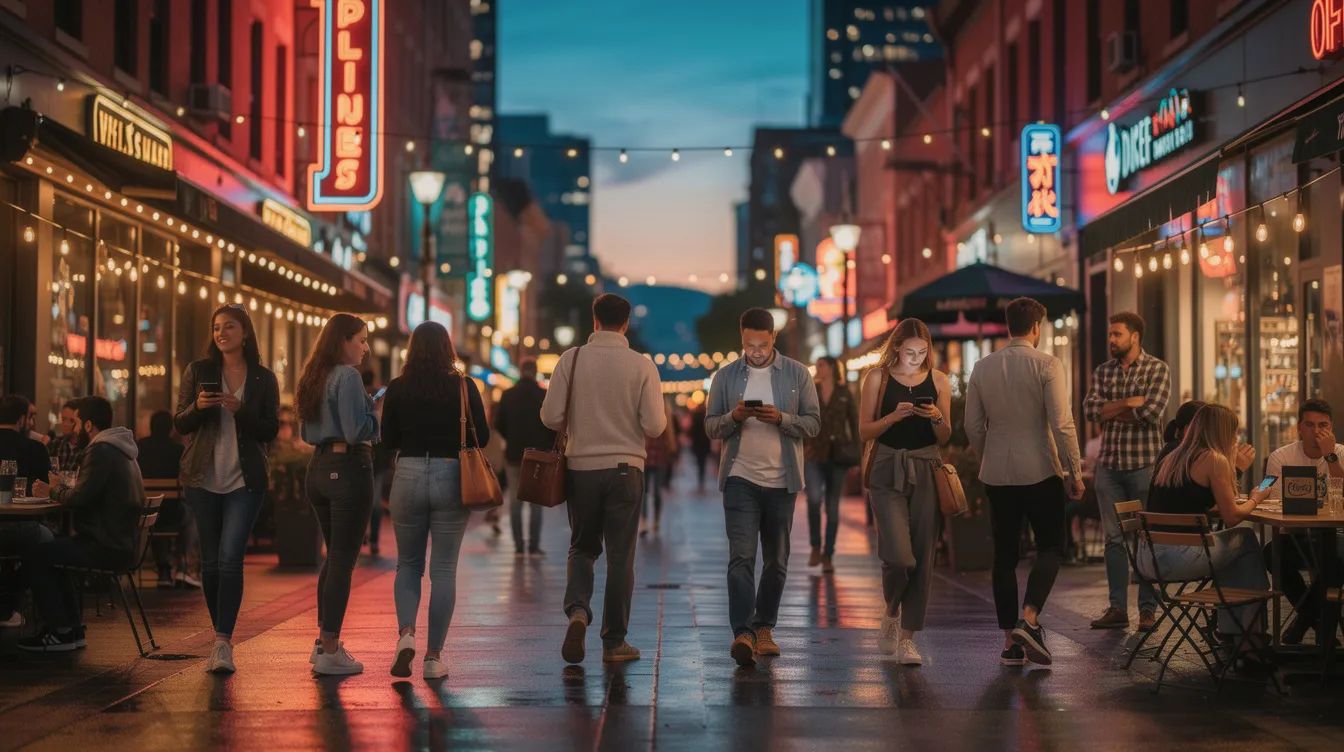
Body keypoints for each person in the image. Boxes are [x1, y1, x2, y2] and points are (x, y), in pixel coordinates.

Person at [543, 294, 666, 665]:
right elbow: (655, 426)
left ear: (594, 320)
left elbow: (550, 416)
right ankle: (614, 642)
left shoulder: (571, 359)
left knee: (582, 547)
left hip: (581, 468)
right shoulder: (642, 365)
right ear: (626, 324)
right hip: (627, 469)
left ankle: (578, 611)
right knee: (620, 557)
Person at [964, 297, 1084, 667]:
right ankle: (1029, 619)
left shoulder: (982, 367)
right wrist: (1075, 470)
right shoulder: (1048, 364)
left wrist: (987, 456)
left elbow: (972, 425)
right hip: (1040, 471)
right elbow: (1061, 423)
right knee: (1050, 546)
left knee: (1004, 555)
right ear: (1035, 327)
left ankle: (1009, 644)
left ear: (1008, 326)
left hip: (998, 474)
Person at [705, 307, 821, 667]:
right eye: (749, 345)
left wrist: (782, 419)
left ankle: (764, 626)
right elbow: (710, 426)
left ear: (774, 338)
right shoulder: (725, 376)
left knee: (777, 560)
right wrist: (734, 417)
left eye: (762, 345)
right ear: (741, 339)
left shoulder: (797, 374)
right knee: (741, 557)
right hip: (739, 477)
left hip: (782, 480)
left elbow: (814, 423)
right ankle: (743, 632)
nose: (755, 352)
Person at [175, 305, 280, 673]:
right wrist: (198, 407)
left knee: (230, 557)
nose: (221, 333)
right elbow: (180, 421)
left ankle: (222, 642)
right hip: (202, 478)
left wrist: (240, 410)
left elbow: (270, 429)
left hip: (244, 480)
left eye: (229, 326)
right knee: (211, 561)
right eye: (217, 327)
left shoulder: (263, 378)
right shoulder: (198, 371)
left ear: (245, 332)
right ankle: (219, 633)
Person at [380, 322, 488, 680]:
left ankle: (406, 634)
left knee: (408, 564)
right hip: (451, 474)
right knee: (443, 570)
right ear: (448, 349)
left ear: (412, 349)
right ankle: (433, 658)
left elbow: (388, 439)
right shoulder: (463, 386)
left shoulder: (398, 387)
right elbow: (483, 436)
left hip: (408, 472)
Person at [1141, 404, 1272, 661]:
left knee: (1234, 552)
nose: (1236, 437)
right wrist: (1257, 497)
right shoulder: (1214, 459)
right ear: (1223, 431)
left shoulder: (1173, 456)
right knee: (1246, 539)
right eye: (1234, 431)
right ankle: (1247, 636)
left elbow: (1187, 502)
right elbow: (1231, 517)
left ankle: (1238, 635)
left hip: (1149, 557)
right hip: (1179, 557)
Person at [858, 320, 951, 666]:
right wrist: (892, 418)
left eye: (922, 352)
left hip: (927, 466)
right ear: (896, 347)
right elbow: (864, 430)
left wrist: (937, 416)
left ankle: (908, 640)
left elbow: (946, 436)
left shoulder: (939, 380)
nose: (916, 358)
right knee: (900, 557)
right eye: (910, 352)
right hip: (886, 467)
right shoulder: (877, 378)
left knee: (923, 556)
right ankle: (892, 610)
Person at [22, 397, 145, 651]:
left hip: (106, 546)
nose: (74, 429)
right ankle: (72, 628)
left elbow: (79, 499)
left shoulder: (100, 451)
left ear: (88, 425)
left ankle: (60, 630)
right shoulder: (121, 450)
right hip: (120, 543)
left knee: (36, 552)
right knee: (55, 548)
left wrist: (52, 490)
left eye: (76, 423)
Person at [297, 313, 381, 676]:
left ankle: (323, 643)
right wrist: (374, 412)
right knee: (343, 561)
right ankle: (330, 648)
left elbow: (305, 432)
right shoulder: (347, 376)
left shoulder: (315, 375)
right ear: (343, 341)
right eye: (361, 340)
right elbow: (356, 431)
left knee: (333, 558)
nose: (365, 348)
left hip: (318, 467)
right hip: (348, 468)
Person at [1082, 311, 1171, 633]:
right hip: (1109, 466)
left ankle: (1147, 610)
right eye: (1110, 334)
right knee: (1114, 540)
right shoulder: (1103, 371)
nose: (1111, 339)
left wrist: (1111, 409)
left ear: (1134, 337)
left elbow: (1150, 413)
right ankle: (1118, 608)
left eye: (1117, 334)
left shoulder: (1157, 369)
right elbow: (1090, 410)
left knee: (1146, 539)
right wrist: (1127, 402)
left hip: (1145, 465)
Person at [1263, 399, 1344, 645]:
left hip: (1335, 535)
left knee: (1336, 559)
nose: (1316, 431)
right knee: (1272, 555)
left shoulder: (1341, 454)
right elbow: (1276, 503)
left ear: (1331, 427)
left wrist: (1330, 457)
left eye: (1323, 425)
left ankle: (1307, 622)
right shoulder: (1281, 457)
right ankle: (1317, 622)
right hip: (1295, 535)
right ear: (1299, 427)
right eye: (1309, 425)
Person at [0, 395, 54, 629]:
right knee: (48, 542)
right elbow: (48, 488)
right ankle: (10, 600)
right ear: (22, 419)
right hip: (22, 528)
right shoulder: (34, 448)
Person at [493, 358, 556, 556]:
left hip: (514, 455)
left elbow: (499, 424)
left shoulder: (508, 395)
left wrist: (511, 439)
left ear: (520, 371)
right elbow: (552, 425)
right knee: (536, 501)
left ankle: (518, 545)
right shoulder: (544, 395)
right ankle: (534, 545)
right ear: (535, 371)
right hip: (538, 456)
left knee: (515, 500)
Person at [806, 356, 859, 575]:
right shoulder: (811, 391)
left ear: (831, 368)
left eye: (821, 365)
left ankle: (828, 554)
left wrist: (856, 457)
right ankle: (815, 546)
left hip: (838, 456)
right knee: (813, 499)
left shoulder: (845, 393)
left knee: (832, 507)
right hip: (814, 453)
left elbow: (854, 424)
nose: (817, 369)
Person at [136, 410, 195, 590]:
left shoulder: (140, 448)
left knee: (155, 516)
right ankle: (182, 565)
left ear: (151, 427)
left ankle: (163, 570)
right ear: (171, 429)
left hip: (146, 513)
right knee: (194, 515)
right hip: (173, 514)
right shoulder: (178, 450)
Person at [364, 370, 391, 557]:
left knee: (370, 501)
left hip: (371, 457)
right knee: (372, 501)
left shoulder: (366, 397)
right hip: (374, 456)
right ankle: (371, 538)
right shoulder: (376, 396)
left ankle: (370, 538)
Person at [0, 395, 52, 491]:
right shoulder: (36, 448)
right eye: (29, 417)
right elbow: (47, 489)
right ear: (22, 419)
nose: (30, 423)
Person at [641, 400, 676, 537]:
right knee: (643, 492)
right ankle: (644, 521)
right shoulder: (645, 417)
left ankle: (656, 518)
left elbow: (671, 442)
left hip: (660, 459)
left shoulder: (665, 422)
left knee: (656, 491)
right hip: (645, 458)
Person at [47, 399, 85, 473]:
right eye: (63, 419)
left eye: (71, 421)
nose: (65, 424)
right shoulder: (55, 444)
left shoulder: (85, 448)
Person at [689, 402, 713, 491]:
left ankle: (700, 481)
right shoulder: (706, 417)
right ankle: (701, 481)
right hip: (704, 444)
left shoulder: (695, 417)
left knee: (699, 463)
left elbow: (691, 431)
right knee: (703, 463)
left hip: (697, 444)